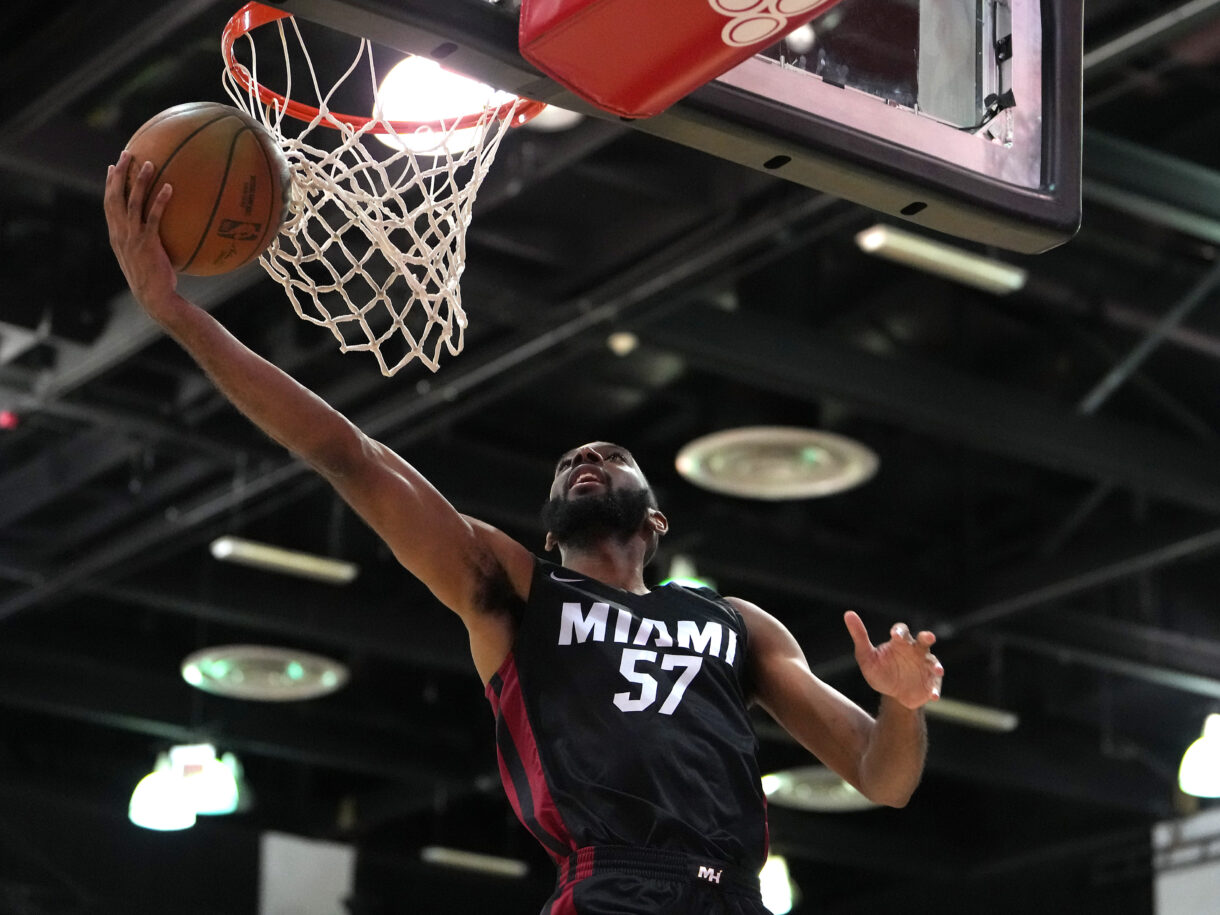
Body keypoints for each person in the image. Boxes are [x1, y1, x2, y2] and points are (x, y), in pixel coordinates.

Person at [106, 151, 944, 915]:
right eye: (572, 459)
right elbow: (348, 456)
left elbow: (884, 775)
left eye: (609, 454)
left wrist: (901, 705)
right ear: (548, 534)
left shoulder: (736, 625)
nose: (586, 455)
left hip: (736, 896)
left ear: (655, 518)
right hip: (608, 886)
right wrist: (178, 314)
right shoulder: (517, 589)